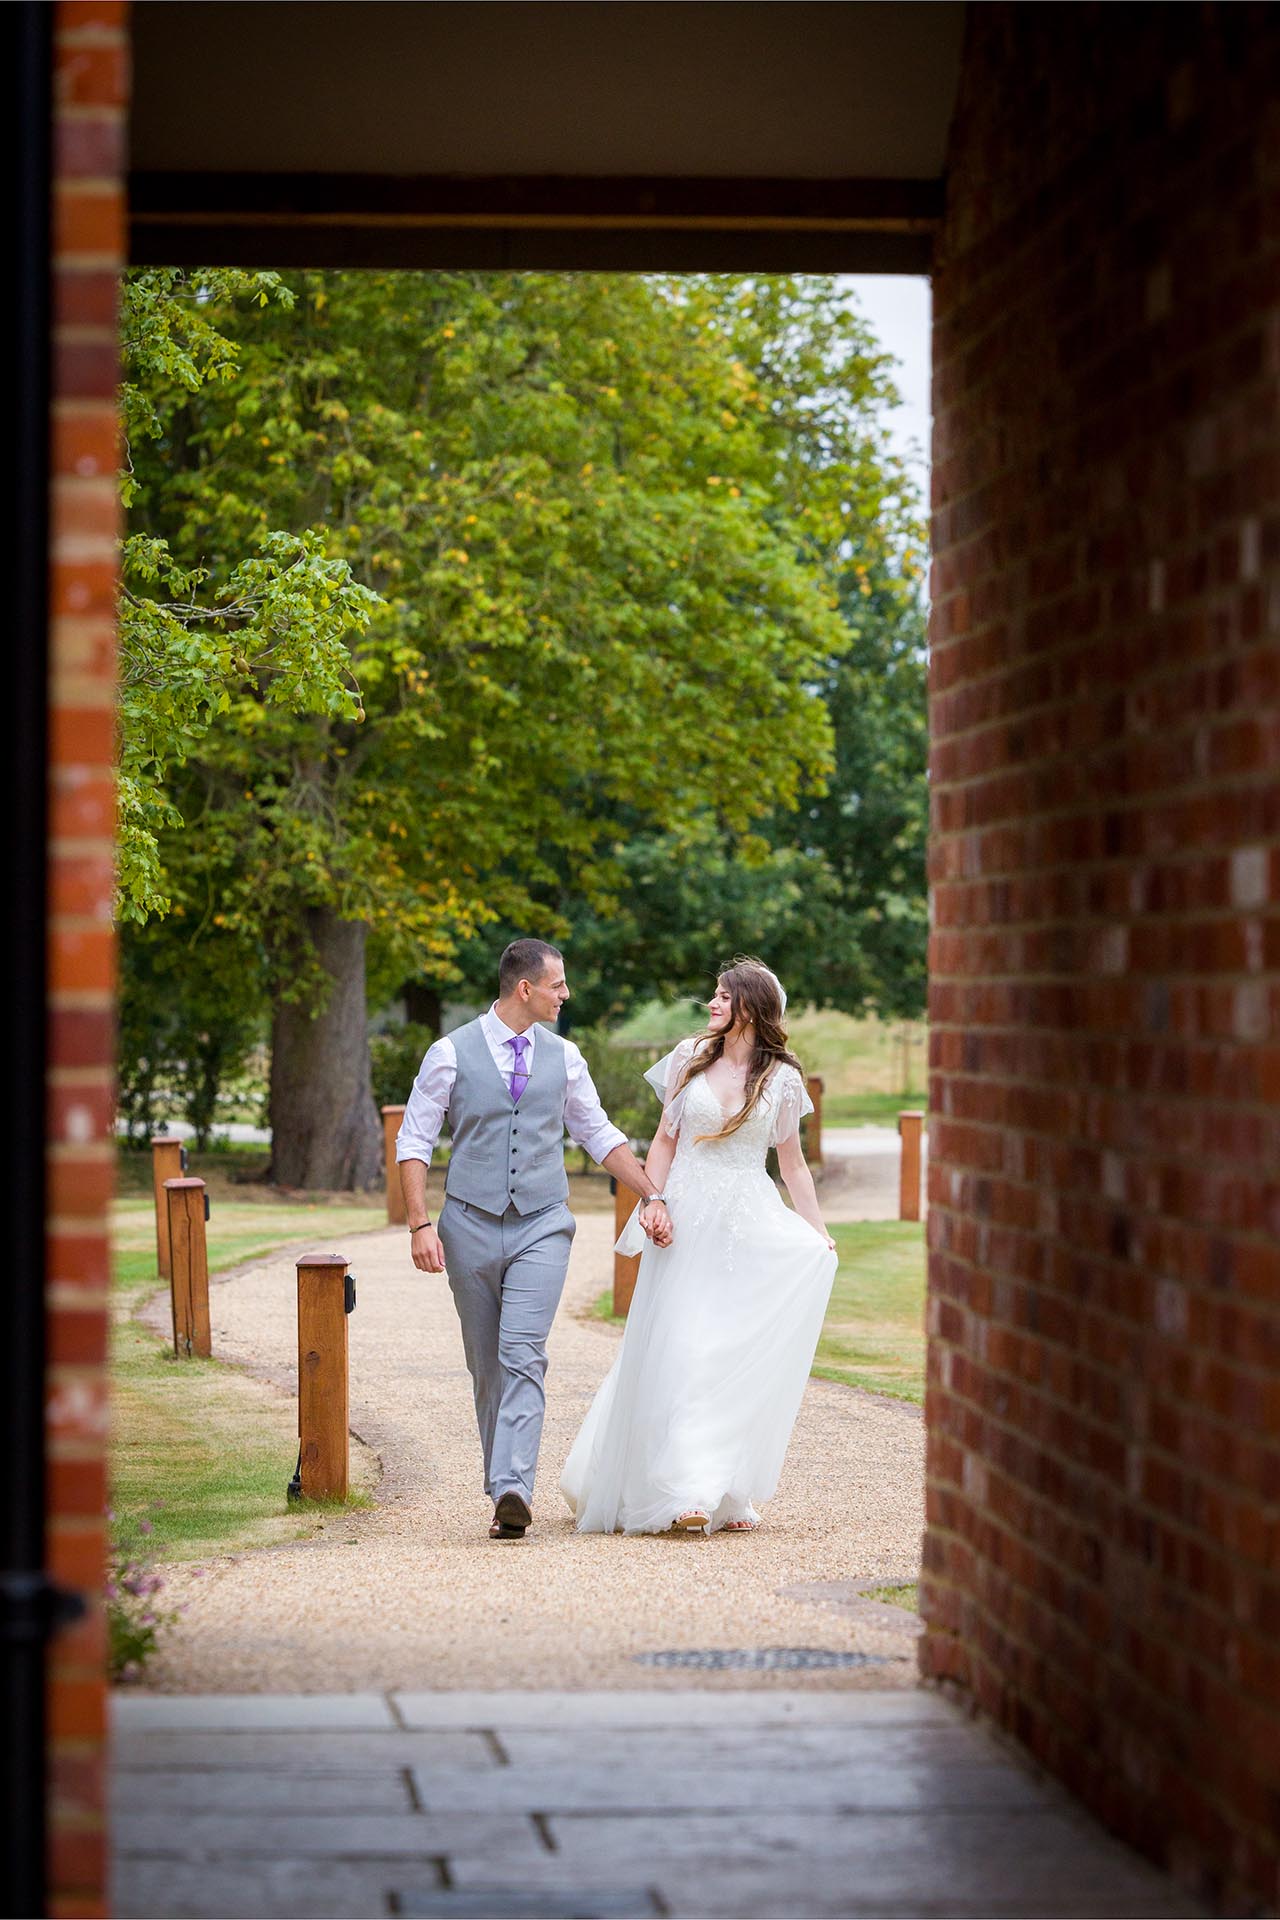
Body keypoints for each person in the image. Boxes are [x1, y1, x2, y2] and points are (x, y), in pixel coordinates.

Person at [397, 939, 671, 1542]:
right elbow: (413, 1141)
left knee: (522, 1350)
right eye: (558, 985)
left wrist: (651, 1192)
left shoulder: (566, 1057)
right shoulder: (449, 1053)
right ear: (526, 989)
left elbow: (598, 1133)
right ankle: (503, 1485)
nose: (565, 994)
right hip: (467, 1222)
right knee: (486, 1361)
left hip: (543, 1222)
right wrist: (420, 1224)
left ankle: (514, 1486)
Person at [560, 957, 837, 1535]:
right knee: (681, 1345)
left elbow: (793, 1165)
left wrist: (817, 1232)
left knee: (728, 1351)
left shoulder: (783, 1079)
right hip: (685, 1219)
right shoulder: (689, 1057)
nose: (711, 1004)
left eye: (722, 997)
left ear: (751, 1008)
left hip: (747, 1224)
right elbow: (664, 1139)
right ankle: (685, 1490)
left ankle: (721, 1487)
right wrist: (651, 1201)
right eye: (713, 995)